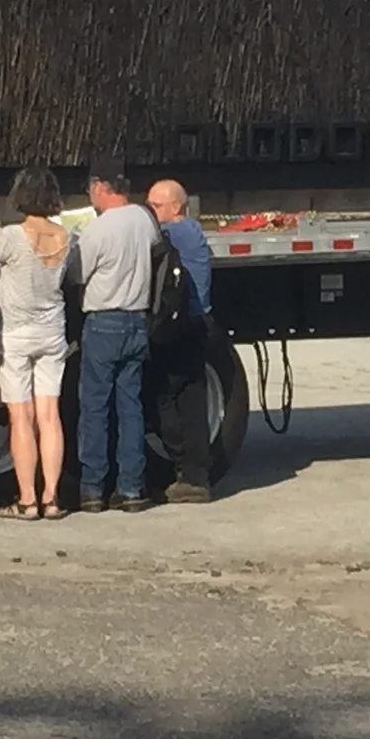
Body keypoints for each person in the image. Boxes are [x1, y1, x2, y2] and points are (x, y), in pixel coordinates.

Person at [0, 167, 76, 521]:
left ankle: (27, 499)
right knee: (50, 416)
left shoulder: (12, 236)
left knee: (21, 417)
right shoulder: (66, 237)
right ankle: (52, 498)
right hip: (52, 332)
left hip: (15, 334)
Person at [73, 155, 158, 512]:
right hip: (137, 320)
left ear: (101, 187)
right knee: (131, 407)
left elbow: (75, 274)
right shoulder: (144, 219)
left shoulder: (98, 229)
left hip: (103, 319)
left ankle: (93, 488)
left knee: (94, 408)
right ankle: (132, 489)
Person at [145, 177, 216, 502]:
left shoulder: (177, 232)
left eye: (155, 206)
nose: (150, 212)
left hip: (180, 326)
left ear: (176, 206)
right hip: (197, 322)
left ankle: (184, 466)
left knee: (164, 396)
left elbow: (142, 241)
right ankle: (196, 476)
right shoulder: (192, 231)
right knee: (192, 398)